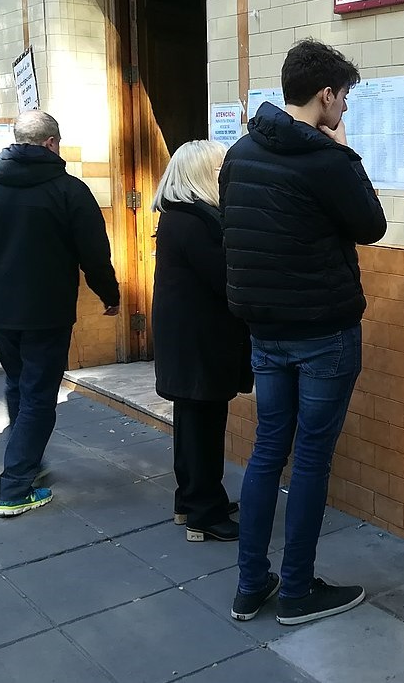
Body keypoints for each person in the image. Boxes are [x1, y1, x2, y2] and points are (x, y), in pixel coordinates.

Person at [221, 39, 387, 625]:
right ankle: (296, 592)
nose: (344, 110)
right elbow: (372, 224)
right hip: (323, 333)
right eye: (344, 99)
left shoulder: (241, 152)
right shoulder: (325, 159)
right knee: (311, 460)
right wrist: (346, 153)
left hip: (264, 331)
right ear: (325, 95)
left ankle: (250, 586)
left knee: (268, 451)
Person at [0, 110, 120, 518]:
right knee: (40, 395)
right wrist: (108, 294)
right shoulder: (70, 191)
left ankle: (28, 457)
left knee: (18, 384)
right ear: (52, 143)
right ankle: (16, 485)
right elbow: (94, 253)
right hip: (48, 312)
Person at [151, 140, 250, 543]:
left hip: (190, 339)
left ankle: (190, 499)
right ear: (205, 175)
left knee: (195, 423)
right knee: (202, 426)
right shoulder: (196, 221)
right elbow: (223, 277)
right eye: (222, 171)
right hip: (198, 342)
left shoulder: (183, 216)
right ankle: (203, 513)